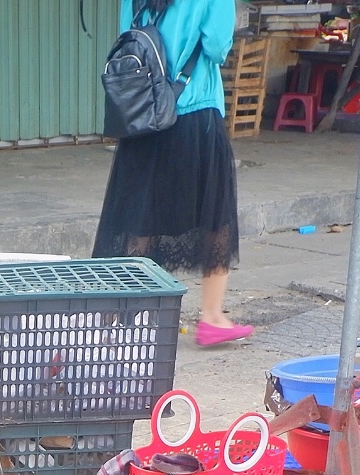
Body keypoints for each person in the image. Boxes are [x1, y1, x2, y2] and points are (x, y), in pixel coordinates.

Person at [92, 0, 251, 347]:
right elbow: (217, 47)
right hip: (194, 114)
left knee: (139, 216)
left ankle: (112, 319)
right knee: (215, 215)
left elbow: (127, 37)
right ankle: (212, 318)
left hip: (144, 117)